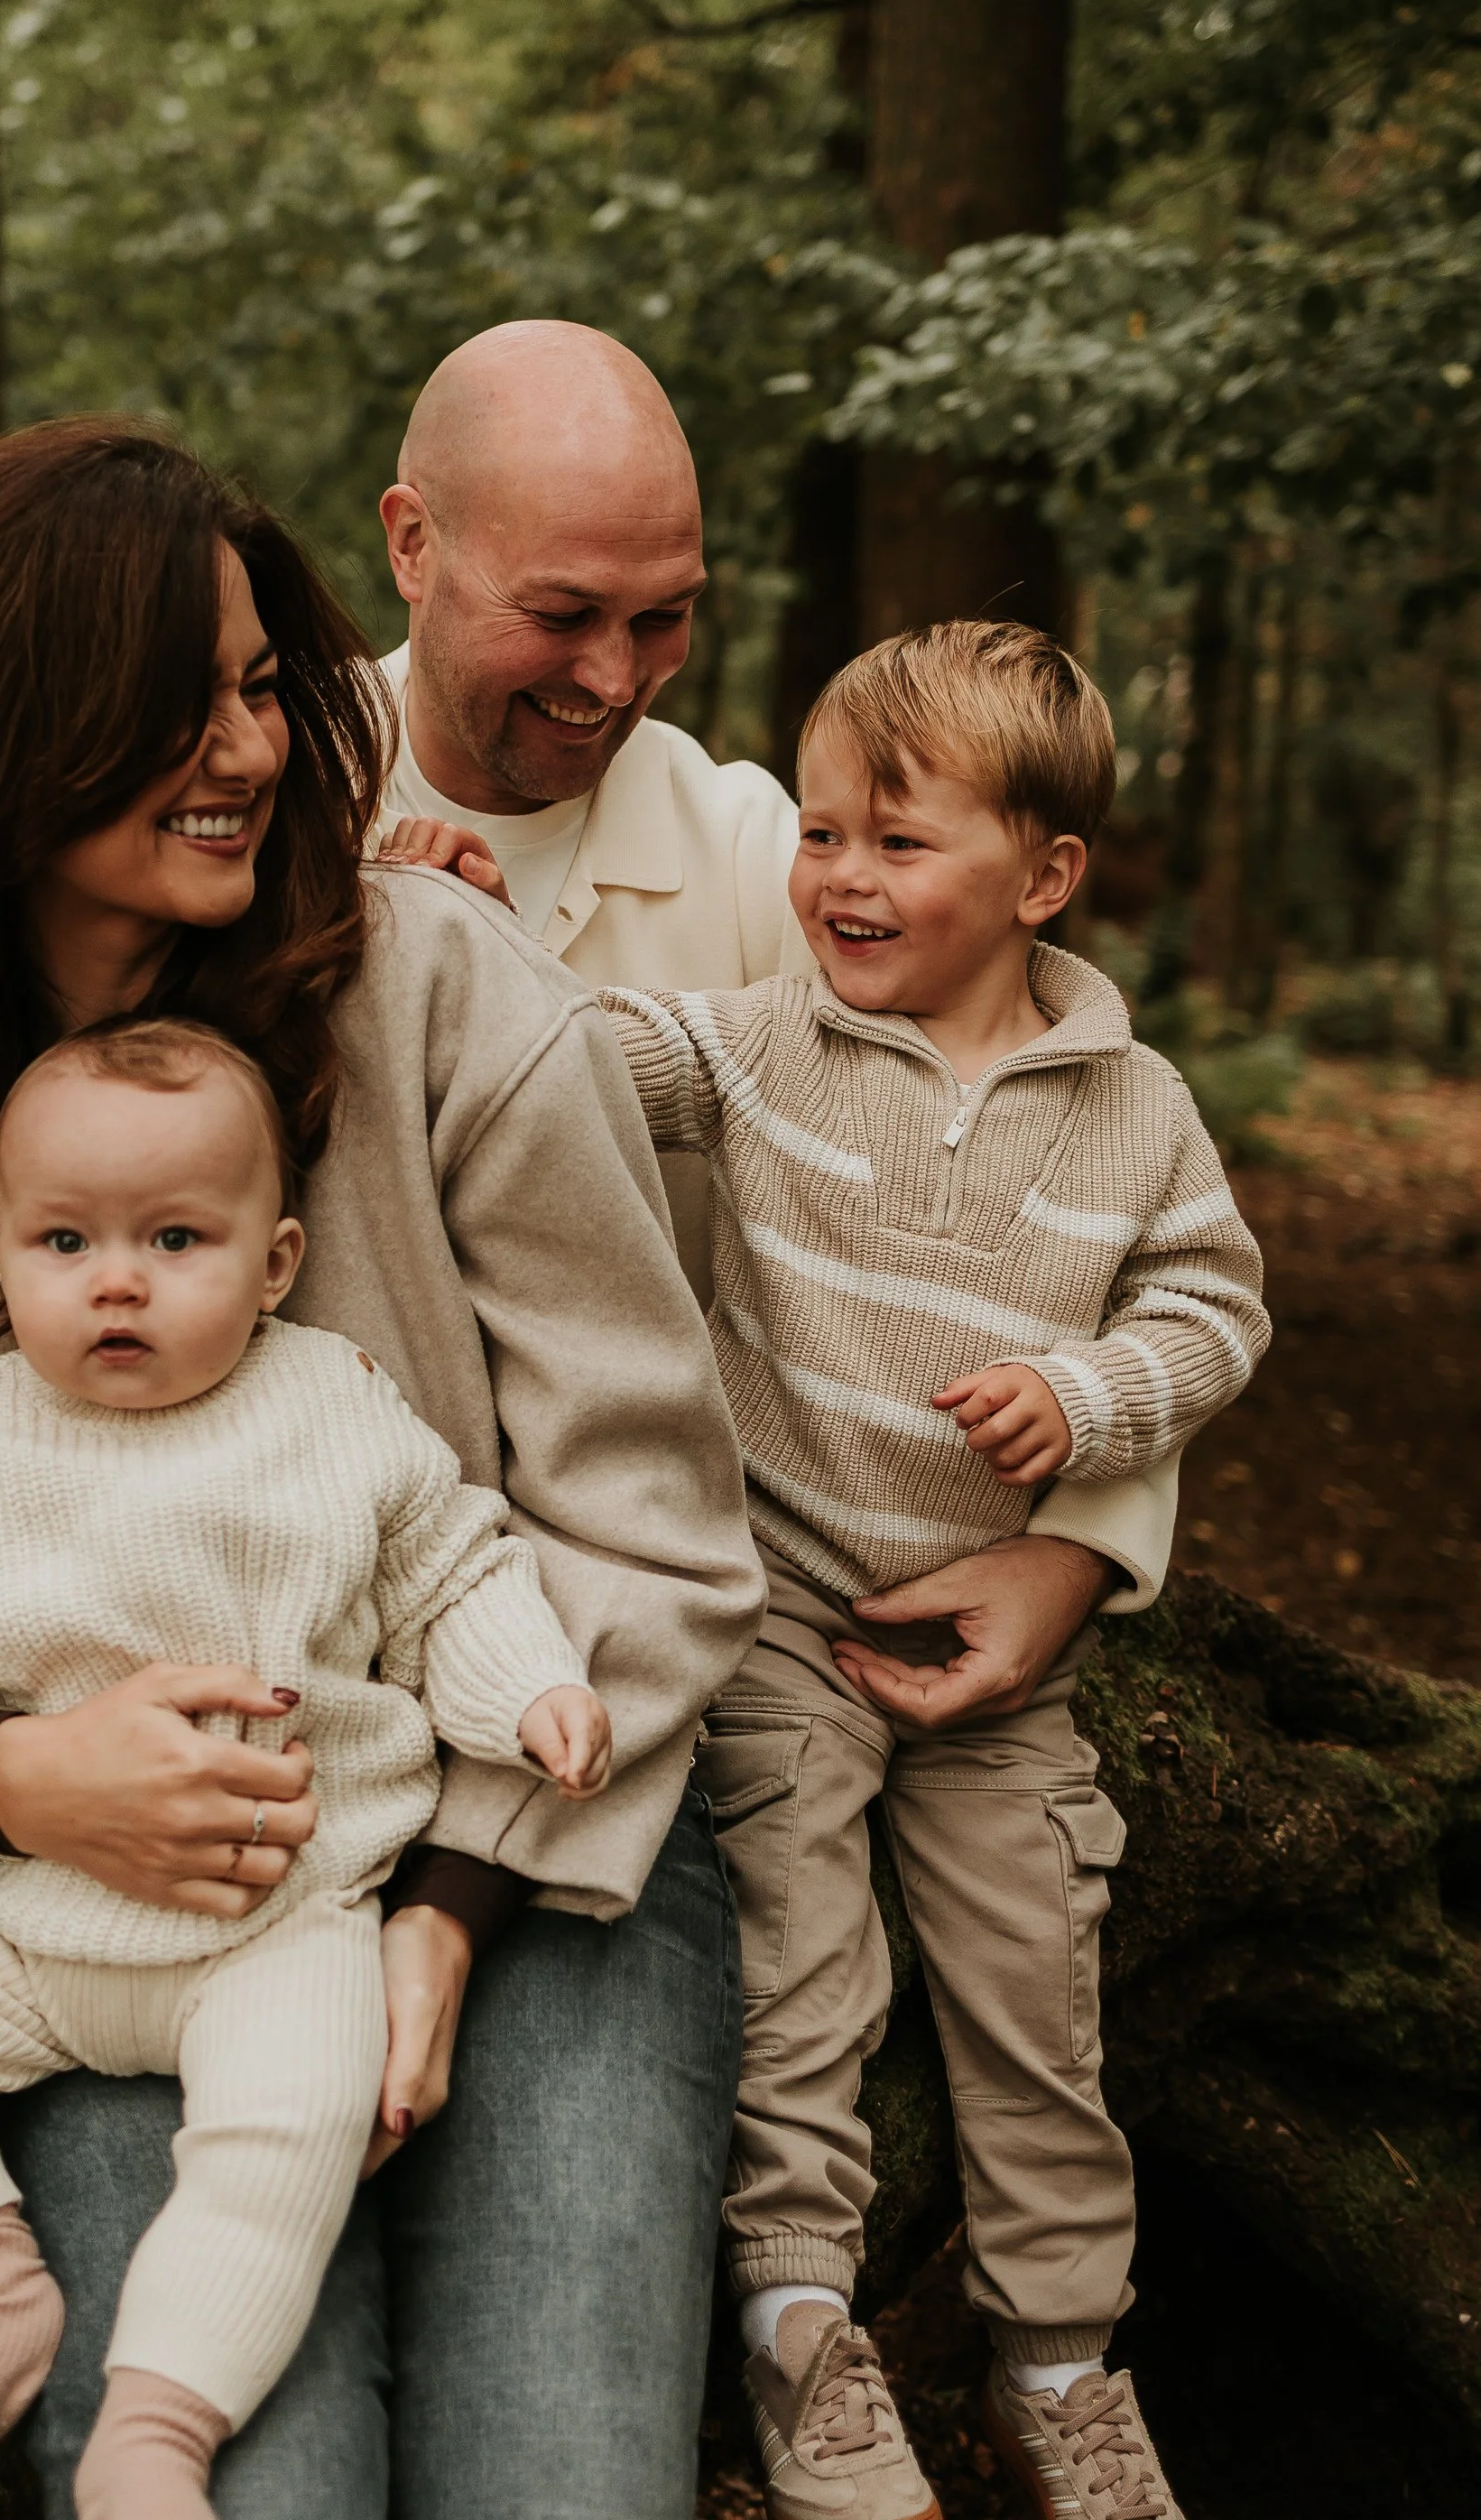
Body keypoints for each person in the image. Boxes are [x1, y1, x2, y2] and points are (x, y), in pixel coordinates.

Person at [0, 418, 766, 2520]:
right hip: (117, 1911)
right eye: (175, 695)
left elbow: (649, 1526)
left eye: (261, 681)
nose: (246, 741)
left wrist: (451, 1917)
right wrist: (11, 1781)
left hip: (540, 1847)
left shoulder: (436, 989)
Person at [0, 1017, 606, 2520]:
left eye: (175, 1241)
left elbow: (452, 1571)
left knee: (289, 2131)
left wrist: (534, 1695)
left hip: (278, 1923)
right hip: (34, 1916)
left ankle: (156, 2429)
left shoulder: (336, 1408)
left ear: (278, 1258)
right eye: (67, 1243)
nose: (118, 1283)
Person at [603, 623, 1267, 2520]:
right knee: (799, 1961)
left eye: (896, 839)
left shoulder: (1131, 1107)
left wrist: (1089, 1404)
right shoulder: (751, 1040)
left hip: (994, 1666)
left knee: (1025, 1987)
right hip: (787, 1612)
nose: (836, 879)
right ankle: (802, 2325)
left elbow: (1212, 1307)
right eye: (815, 831)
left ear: (1041, 877)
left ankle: (1059, 2361)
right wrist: (437, 931)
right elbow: (570, 1060)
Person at [374, 317, 1180, 1756]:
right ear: (413, 543)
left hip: (674, 1642)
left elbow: (1079, 1166)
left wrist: (1081, 1547)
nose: (618, 678)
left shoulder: (783, 863)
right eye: (563, 614)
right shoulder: (258, 802)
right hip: (333, 1615)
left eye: (665, 615)